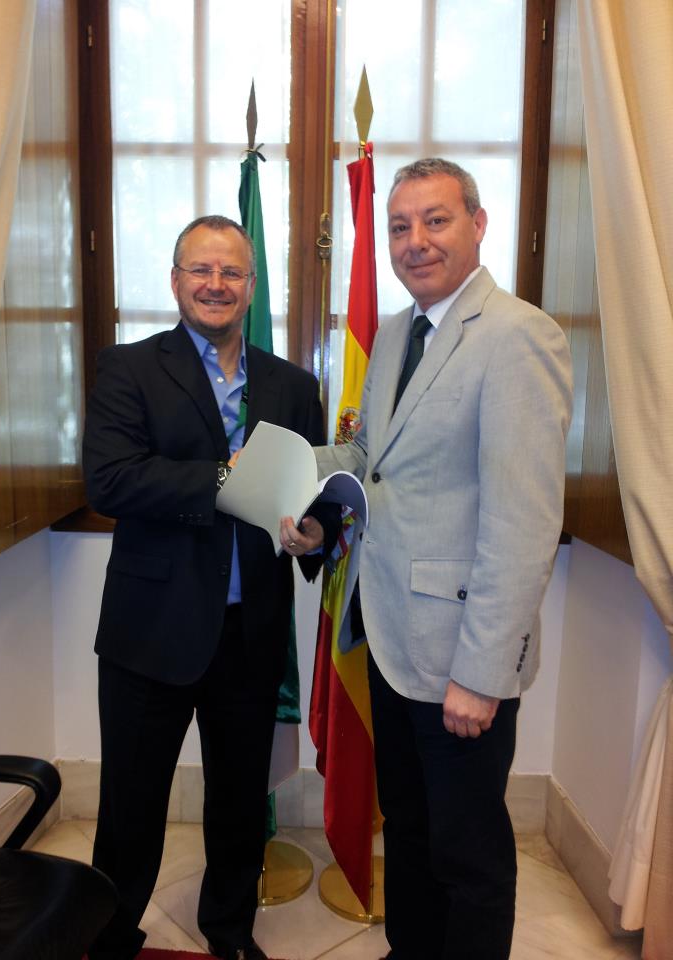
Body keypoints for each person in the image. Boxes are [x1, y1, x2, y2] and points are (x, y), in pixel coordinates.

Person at [280, 159, 573, 959]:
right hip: (390, 638)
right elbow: (369, 459)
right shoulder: (397, 334)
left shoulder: (518, 338)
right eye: (400, 226)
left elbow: (523, 524)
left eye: (436, 220)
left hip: (460, 660)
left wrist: (482, 675)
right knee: (408, 831)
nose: (415, 241)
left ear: (479, 224)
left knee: (468, 856)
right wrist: (294, 484)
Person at [84, 215, 337, 960]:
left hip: (249, 634)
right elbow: (111, 480)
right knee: (131, 806)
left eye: (232, 272)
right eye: (201, 269)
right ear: (176, 280)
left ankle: (228, 931)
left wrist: (316, 534)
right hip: (148, 632)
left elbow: (314, 495)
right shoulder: (127, 369)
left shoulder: (294, 386)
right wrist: (228, 477)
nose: (216, 284)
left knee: (238, 803)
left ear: (251, 288)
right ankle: (109, 937)